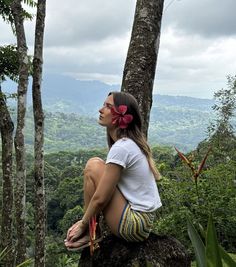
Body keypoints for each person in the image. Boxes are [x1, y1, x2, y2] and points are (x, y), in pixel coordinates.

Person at [64, 91, 162, 251]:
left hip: (135, 224)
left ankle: (91, 231)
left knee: (93, 165)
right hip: (142, 223)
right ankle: (92, 229)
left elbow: (100, 199)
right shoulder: (128, 144)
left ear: (121, 116)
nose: (101, 110)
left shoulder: (122, 147)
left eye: (108, 107)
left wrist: (83, 224)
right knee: (96, 164)